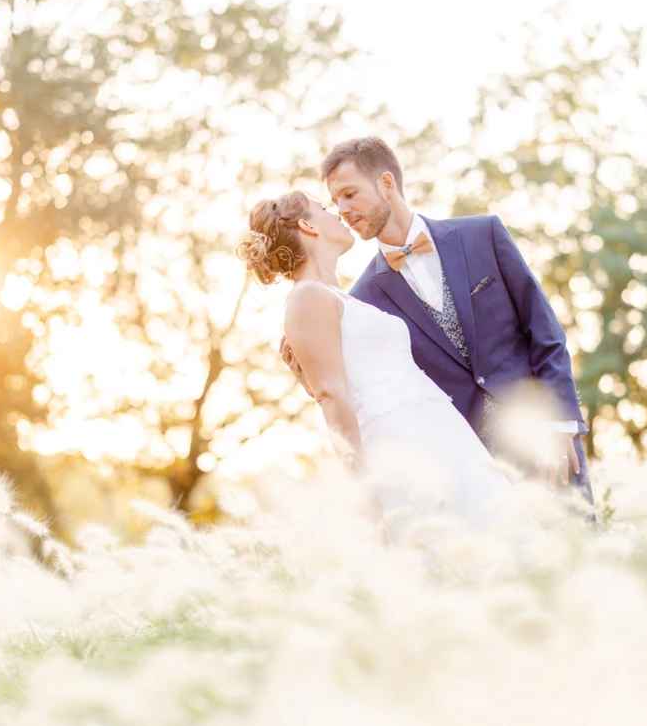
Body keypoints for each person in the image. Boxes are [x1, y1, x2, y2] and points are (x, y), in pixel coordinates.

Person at [285, 136, 593, 509]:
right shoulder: (362, 301)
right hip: (470, 473)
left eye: (350, 194)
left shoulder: (483, 235)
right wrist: (311, 381)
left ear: (386, 184)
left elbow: (543, 329)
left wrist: (561, 422)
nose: (343, 210)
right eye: (335, 202)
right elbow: (368, 388)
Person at [237, 192, 534, 541]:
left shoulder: (342, 298)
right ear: (308, 225)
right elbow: (331, 396)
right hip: (398, 440)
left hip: (440, 428)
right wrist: (364, 493)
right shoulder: (307, 297)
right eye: (325, 209)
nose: (338, 214)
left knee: (502, 533)